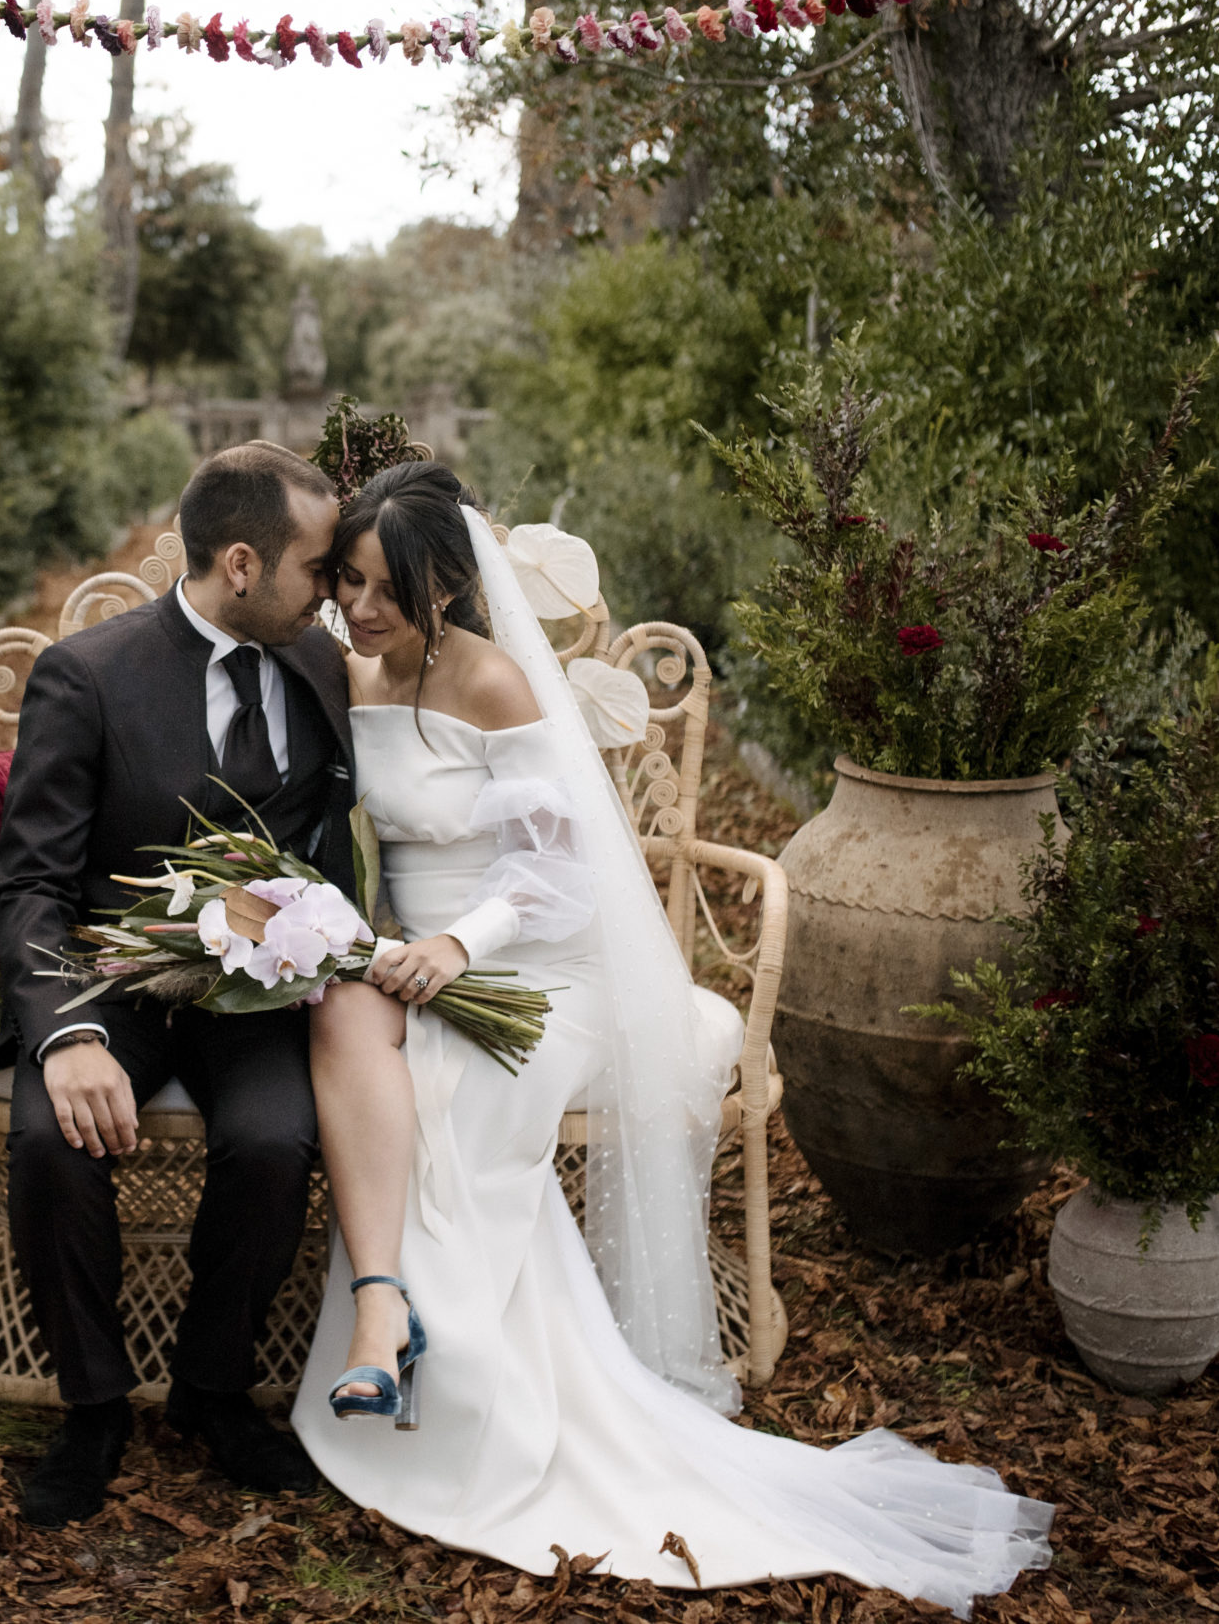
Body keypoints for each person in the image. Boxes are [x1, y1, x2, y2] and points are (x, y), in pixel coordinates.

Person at [292, 463, 1056, 1616]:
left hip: (534, 962)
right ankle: (400, 1338)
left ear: (445, 589)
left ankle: (460, 1394)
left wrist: (455, 947)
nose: (358, 605)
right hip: (414, 962)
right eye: (346, 579)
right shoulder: (353, 671)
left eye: (384, 587)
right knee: (394, 1081)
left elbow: (554, 873)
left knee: (448, 1109)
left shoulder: (494, 682)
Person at [0, 442, 354, 1527]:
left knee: (278, 1141)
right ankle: (92, 1404)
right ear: (242, 561)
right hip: (113, 978)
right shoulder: (88, 673)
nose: (326, 590)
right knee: (51, 1136)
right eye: (316, 568)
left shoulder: (318, 664)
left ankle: (212, 1385)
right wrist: (64, 1032)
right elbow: (34, 880)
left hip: (256, 995)